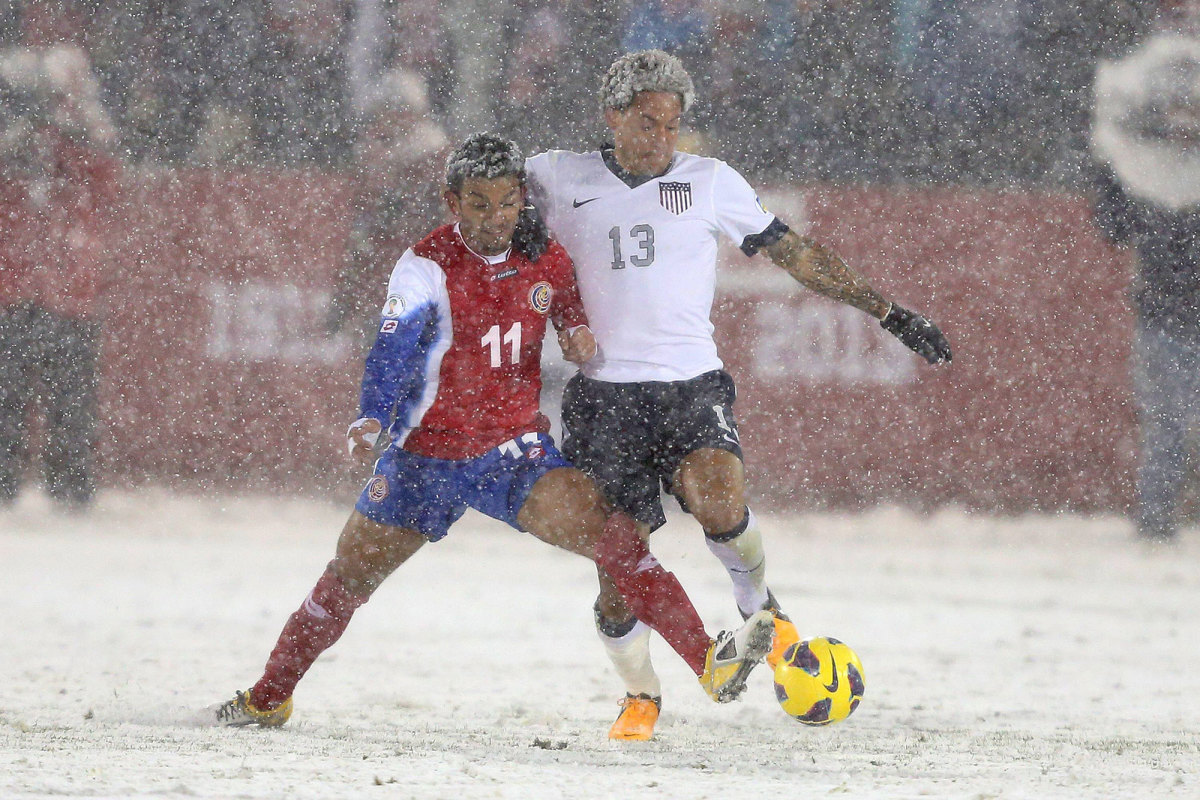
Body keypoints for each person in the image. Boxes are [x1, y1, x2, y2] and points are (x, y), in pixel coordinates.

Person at [214, 133, 776, 728]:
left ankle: (708, 662)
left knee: (615, 540)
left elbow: (567, 306)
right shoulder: (424, 266)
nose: (496, 218)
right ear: (452, 202)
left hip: (512, 453)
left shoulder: (546, 256)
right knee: (344, 582)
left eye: (508, 203)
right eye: (479, 204)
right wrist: (373, 415)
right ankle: (269, 697)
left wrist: (576, 333)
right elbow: (392, 349)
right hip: (422, 459)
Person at [525, 49, 952, 740]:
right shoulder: (553, 175)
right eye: (645, 120)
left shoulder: (710, 182)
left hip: (691, 384)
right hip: (603, 398)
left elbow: (798, 254)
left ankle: (761, 606)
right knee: (618, 573)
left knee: (719, 496)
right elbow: (482, 219)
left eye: (672, 122)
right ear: (612, 116)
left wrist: (888, 311)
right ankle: (641, 694)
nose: (661, 135)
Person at [1091, 1, 1200, 542]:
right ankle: (1156, 523)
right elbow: (1111, 224)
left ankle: (1158, 522)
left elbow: (1112, 224)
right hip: (1164, 312)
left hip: (1163, 308)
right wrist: (1111, 161)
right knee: (1168, 429)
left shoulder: (1151, 175)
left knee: (1168, 426)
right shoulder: (1145, 172)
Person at [0, 44, 120, 512]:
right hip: (15, 284)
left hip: (70, 288)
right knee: (7, 396)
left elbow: (107, 184)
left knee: (71, 401)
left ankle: (70, 488)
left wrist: (71, 138)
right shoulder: (13, 136)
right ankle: (7, 482)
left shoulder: (87, 136)